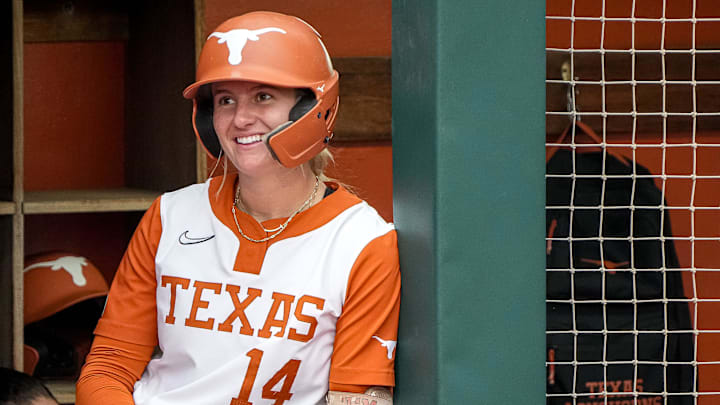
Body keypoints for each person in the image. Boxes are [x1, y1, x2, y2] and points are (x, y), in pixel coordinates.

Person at [76, 11, 400, 405]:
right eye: (226, 100)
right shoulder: (170, 216)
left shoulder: (363, 241)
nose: (241, 119)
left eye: (263, 96)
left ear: (311, 108)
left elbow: (357, 399)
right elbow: (109, 367)